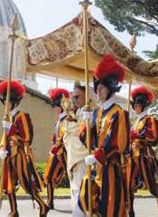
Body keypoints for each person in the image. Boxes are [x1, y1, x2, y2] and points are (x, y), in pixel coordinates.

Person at [78, 54, 130, 217]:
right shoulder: (95, 113)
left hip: (109, 167)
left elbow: (119, 143)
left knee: (110, 208)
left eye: (101, 88)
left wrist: (98, 156)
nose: (97, 91)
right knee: (84, 200)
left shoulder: (119, 113)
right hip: (95, 166)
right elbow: (86, 140)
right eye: (97, 88)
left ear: (110, 88)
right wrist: (87, 124)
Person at [0, 80, 49, 217]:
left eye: (7, 101)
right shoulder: (8, 117)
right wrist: (2, 148)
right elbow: (5, 136)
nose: (5, 104)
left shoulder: (22, 116)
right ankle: (14, 211)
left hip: (20, 154)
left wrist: (11, 128)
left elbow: (27, 138)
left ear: (14, 101)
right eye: (4, 101)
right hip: (9, 154)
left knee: (26, 183)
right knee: (8, 183)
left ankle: (43, 205)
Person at [128, 86, 158, 216]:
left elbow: (154, 137)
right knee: (128, 182)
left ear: (143, 105)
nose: (135, 107)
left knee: (151, 184)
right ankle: (130, 211)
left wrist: (140, 138)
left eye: (137, 105)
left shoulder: (150, 119)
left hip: (144, 155)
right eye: (134, 105)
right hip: (132, 155)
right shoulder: (135, 122)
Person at [61, 83, 90, 217]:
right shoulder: (75, 113)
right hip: (73, 158)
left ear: (86, 95)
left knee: (83, 196)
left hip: (83, 158)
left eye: (77, 96)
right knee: (75, 194)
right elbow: (66, 130)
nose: (75, 100)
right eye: (73, 97)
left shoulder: (90, 111)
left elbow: (80, 131)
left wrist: (71, 126)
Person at [44, 88, 70, 209]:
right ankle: (50, 201)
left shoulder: (67, 120)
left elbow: (65, 136)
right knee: (49, 176)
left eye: (55, 105)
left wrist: (57, 145)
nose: (54, 108)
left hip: (65, 153)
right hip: (56, 153)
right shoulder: (58, 121)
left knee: (73, 177)